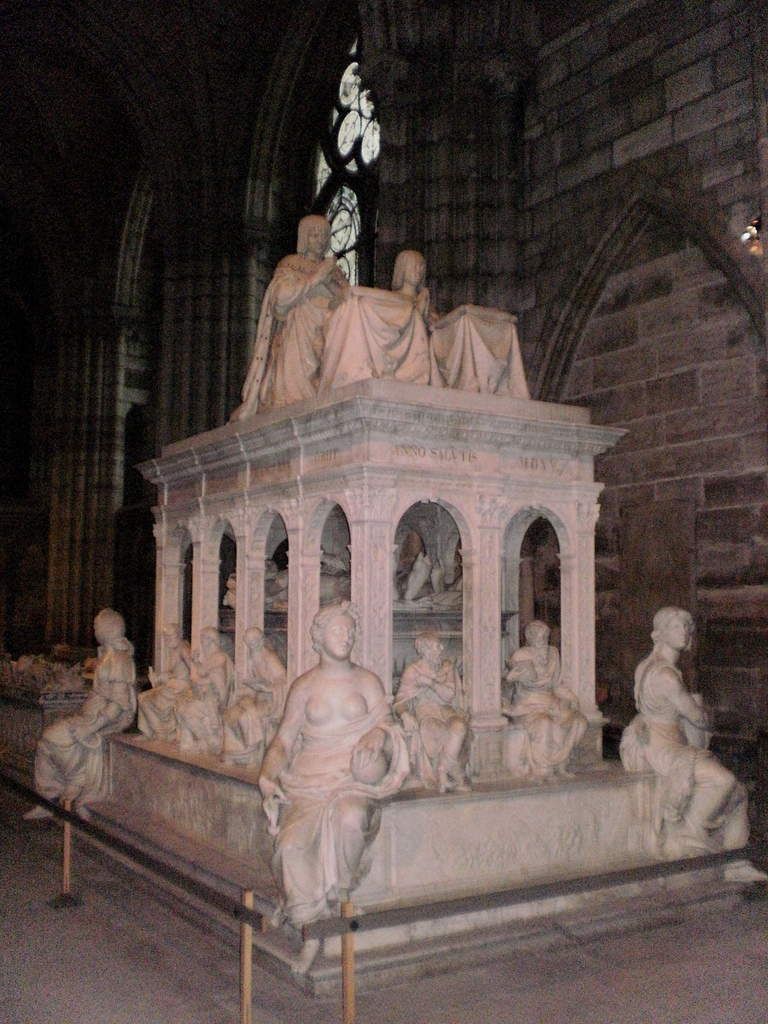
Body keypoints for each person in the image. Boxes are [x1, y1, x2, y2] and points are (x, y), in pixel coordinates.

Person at [258, 601, 409, 926]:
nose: (346, 636)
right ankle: (307, 922)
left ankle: (340, 897)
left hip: (353, 779)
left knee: (351, 816)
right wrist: (267, 776)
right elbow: (283, 741)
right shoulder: (303, 686)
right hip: (309, 782)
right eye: (338, 630)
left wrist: (378, 735)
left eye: (350, 631)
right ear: (319, 636)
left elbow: (389, 724)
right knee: (289, 847)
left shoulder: (367, 681)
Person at [620, 607, 749, 859]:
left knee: (738, 794)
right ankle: (686, 835)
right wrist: (706, 712)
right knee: (724, 781)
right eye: (675, 626)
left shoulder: (647, 666)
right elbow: (697, 717)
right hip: (664, 747)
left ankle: (732, 860)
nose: (683, 632)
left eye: (686, 627)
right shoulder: (666, 675)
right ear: (659, 633)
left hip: (662, 740)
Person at [231, 215, 348, 418]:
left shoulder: (335, 271)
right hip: (301, 326)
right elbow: (281, 298)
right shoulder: (291, 264)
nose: (320, 241)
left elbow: (348, 298)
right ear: (304, 238)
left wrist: (333, 286)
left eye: (324, 236)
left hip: (331, 323)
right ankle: (296, 391)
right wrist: (317, 278)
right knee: (302, 312)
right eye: (314, 235)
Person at [24, 608, 137, 817]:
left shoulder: (118, 660)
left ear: (108, 629)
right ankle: (49, 797)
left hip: (101, 721)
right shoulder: (107, 656)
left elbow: (118, 704)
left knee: (51, 739)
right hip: (91, 715)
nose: (94, 629)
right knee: (46, 743)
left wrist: (91, 727)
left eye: (96, 625)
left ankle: (77, 779)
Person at [318, 249, 443, 392]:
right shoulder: (389, 298)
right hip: (388, 323)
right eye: (413, 264)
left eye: (421, 266)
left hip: (409, 341)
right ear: (402, 268)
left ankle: (363, 369)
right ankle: (353, 370)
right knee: (357, 305)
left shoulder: (424, 302)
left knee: (360, 306)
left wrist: (424, 312)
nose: (418, 270)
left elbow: (435, 325)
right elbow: (383, 301)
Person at [502, 620, 586, 778]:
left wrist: (573, 698)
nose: (544, 642)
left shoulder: (553, 653)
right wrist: (511, 678)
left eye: (546, 637)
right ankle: (543, 767)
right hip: (528, 706)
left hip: (552, 705)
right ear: (531, 638)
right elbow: (508, 684)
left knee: (579, 721)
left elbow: (557, 685)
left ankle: (561, 763)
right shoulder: (521, 655)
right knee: (544, 723)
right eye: (540, 638)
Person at [394, 631, 469, 792]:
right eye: (437, 646)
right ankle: (449, 775)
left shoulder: (447, 666)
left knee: (459, 726)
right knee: (434, 729)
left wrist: (429, 682)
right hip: (425, 711)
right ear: (425, 650)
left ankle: (442, 770)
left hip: (447, 711)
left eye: (440, 645)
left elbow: (449, 695)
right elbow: (400, 700)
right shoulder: (413, 671)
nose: (441, 649)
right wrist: (405, 714)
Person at [222, 627, 288, 766]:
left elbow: (283, 681)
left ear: (261, 640)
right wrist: (249, 687)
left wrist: (267, 687)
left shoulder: (269, 657)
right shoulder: (253, 657)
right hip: (257, 696)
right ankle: (235, 753)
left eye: (254, 643)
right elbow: (255, 680)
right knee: (231, 713)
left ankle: (251, 754)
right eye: (249, 643)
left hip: (270, 701)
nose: (252, 646)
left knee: (247, 715)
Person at [175, 627, 235, 755]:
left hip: (217, 699)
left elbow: (205, 674)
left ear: (212, 640)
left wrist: (196, 667)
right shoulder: (212, 657)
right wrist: (196, 662)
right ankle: (201, 741)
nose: (202, 642)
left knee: (187, 711)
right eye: (202, 638)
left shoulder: (219, 656)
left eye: (204, 638)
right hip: (207, 695)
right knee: (182, 707)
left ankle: (210, 741)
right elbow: (203, 673)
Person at [137, 623, 192, 742]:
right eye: (166, 637)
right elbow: (173, 672)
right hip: (172, 686)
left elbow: (193, 670)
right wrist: (158, 678)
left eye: (171, 636)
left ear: (179, 634)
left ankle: (160, 732)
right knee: (142, 697)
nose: (168, 640)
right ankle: (153, 731)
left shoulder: (183, 649)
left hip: (180, 688)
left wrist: (189, 686)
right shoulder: (173, 650)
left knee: (144, 700)